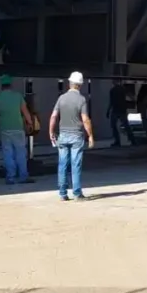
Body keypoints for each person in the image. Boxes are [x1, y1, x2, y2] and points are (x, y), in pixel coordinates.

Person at [50, 71, 94, 201]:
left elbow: (53, 116)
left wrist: (51, 132)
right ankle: (77, 193)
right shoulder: (81, 100)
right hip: (76, 136)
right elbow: (85, 119)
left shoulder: (61, 98)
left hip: (63, 135)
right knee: (76, 164)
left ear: (70, 83)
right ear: (80, 85)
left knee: (62, 164)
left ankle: (63, 193)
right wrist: (90, 136)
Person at [0, 75, 34, 186]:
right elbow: (25, 111)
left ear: (1, 86)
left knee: (8, 154)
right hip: (18, 129)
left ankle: (10, 177)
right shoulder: (18, 96)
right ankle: (23, 176)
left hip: (4, 130)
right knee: (20, 153)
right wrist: (29, 123)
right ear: (11, 85)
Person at [107, 82, 136, 148]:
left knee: (114, 126)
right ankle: (132, 140)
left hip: (115, 110)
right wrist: (133, 101)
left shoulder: (112, 90)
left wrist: (108, 111)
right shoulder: (123, 89)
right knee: (126, 126)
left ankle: (117, 141)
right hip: (122, 110)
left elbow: (111, 102)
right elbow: (130, 96)